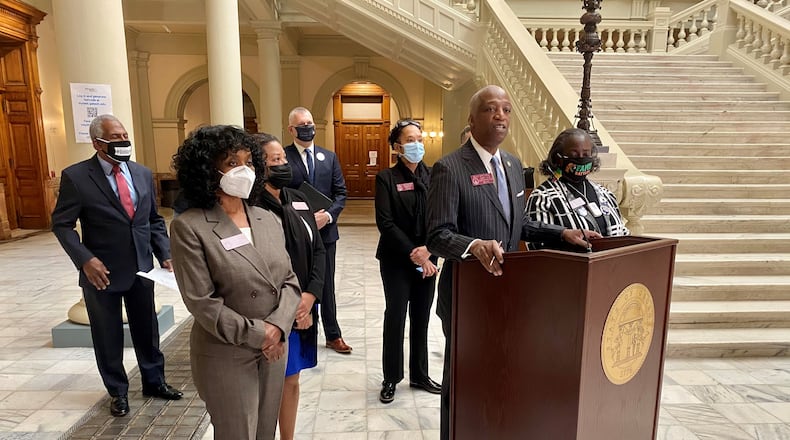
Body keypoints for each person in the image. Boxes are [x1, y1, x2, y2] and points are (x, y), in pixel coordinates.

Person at [425, 85, 600, 440]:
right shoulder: (449, 168)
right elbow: (437, 235)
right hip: (467, 296)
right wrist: (474, 245)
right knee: (464, 380)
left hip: (510, 294)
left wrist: (562, 233)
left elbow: (517, 224)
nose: (501, 116)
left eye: (506, 109)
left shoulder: (512, 164)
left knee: (501, 375)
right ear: (472, 119)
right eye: (491, 109)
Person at [169, 125, 301, 439]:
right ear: (207, 170)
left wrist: (278, 327)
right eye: (232, 163)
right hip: (227, 351)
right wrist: (261, 333)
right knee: (238, 433)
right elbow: (203, 303)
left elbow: (289, 280)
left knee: (265, 431)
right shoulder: (190, 226)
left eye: (249, 162)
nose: (244, 170)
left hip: (273, 348)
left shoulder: (267, 219)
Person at [51, 114, 182, 418]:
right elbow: (62, 225)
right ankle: (118, 391)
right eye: (115, 137)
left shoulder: (141, 173)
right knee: (107, 335)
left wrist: (164, 253)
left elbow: (152, 220)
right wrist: (85, 260)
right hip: (101, 273)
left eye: (125, 135)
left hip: (141, 268)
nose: (124, 141)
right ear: (98, 143)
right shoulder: (77, 177)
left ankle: (154, 381)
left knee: (147, 329)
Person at [251, 133, 325, 440]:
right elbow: (265, 266)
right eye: (275, 160)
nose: (283, 164)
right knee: (271, 382)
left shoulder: (298, 197)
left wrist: (310, 295)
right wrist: (294, 306)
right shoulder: (251, 206)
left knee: (292, 379)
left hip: (304, 302)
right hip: (276, 310)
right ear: (258, 166)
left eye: (283, 158)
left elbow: (318, 248)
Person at [375, 120, 441, 404]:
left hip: (429, 258)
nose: (417, 144)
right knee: (396, 316)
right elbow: (385, 223)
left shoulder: (435, 175)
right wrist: (415, 253)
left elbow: (441, 217)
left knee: (422, 317)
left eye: (419, 139)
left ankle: (420, 374)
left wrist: (428, 251)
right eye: (410, 139)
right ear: (397, 147)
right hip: (396, 259)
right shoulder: (386, 178)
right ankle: (391, 377)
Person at [284, 106, 352, 354]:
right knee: (299, 282)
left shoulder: (328, 157)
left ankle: (333, 334)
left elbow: (340, 193)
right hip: (296, 234)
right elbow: (281, 195)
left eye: (310, 123)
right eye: (302, 125)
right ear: (292, 129)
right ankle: (300, 331)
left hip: (326, 233)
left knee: (325, 283)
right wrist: (301, 219)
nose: (308, 128)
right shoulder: (284, 157)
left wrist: (328, 216)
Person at [526, 128, 629, 247]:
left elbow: (623, 234)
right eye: (574, 154)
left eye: (586, 154)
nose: (581, 158)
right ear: (558, 158)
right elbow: (538, 246)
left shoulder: (606, 194)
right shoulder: (542, 198)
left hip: (613, 259)